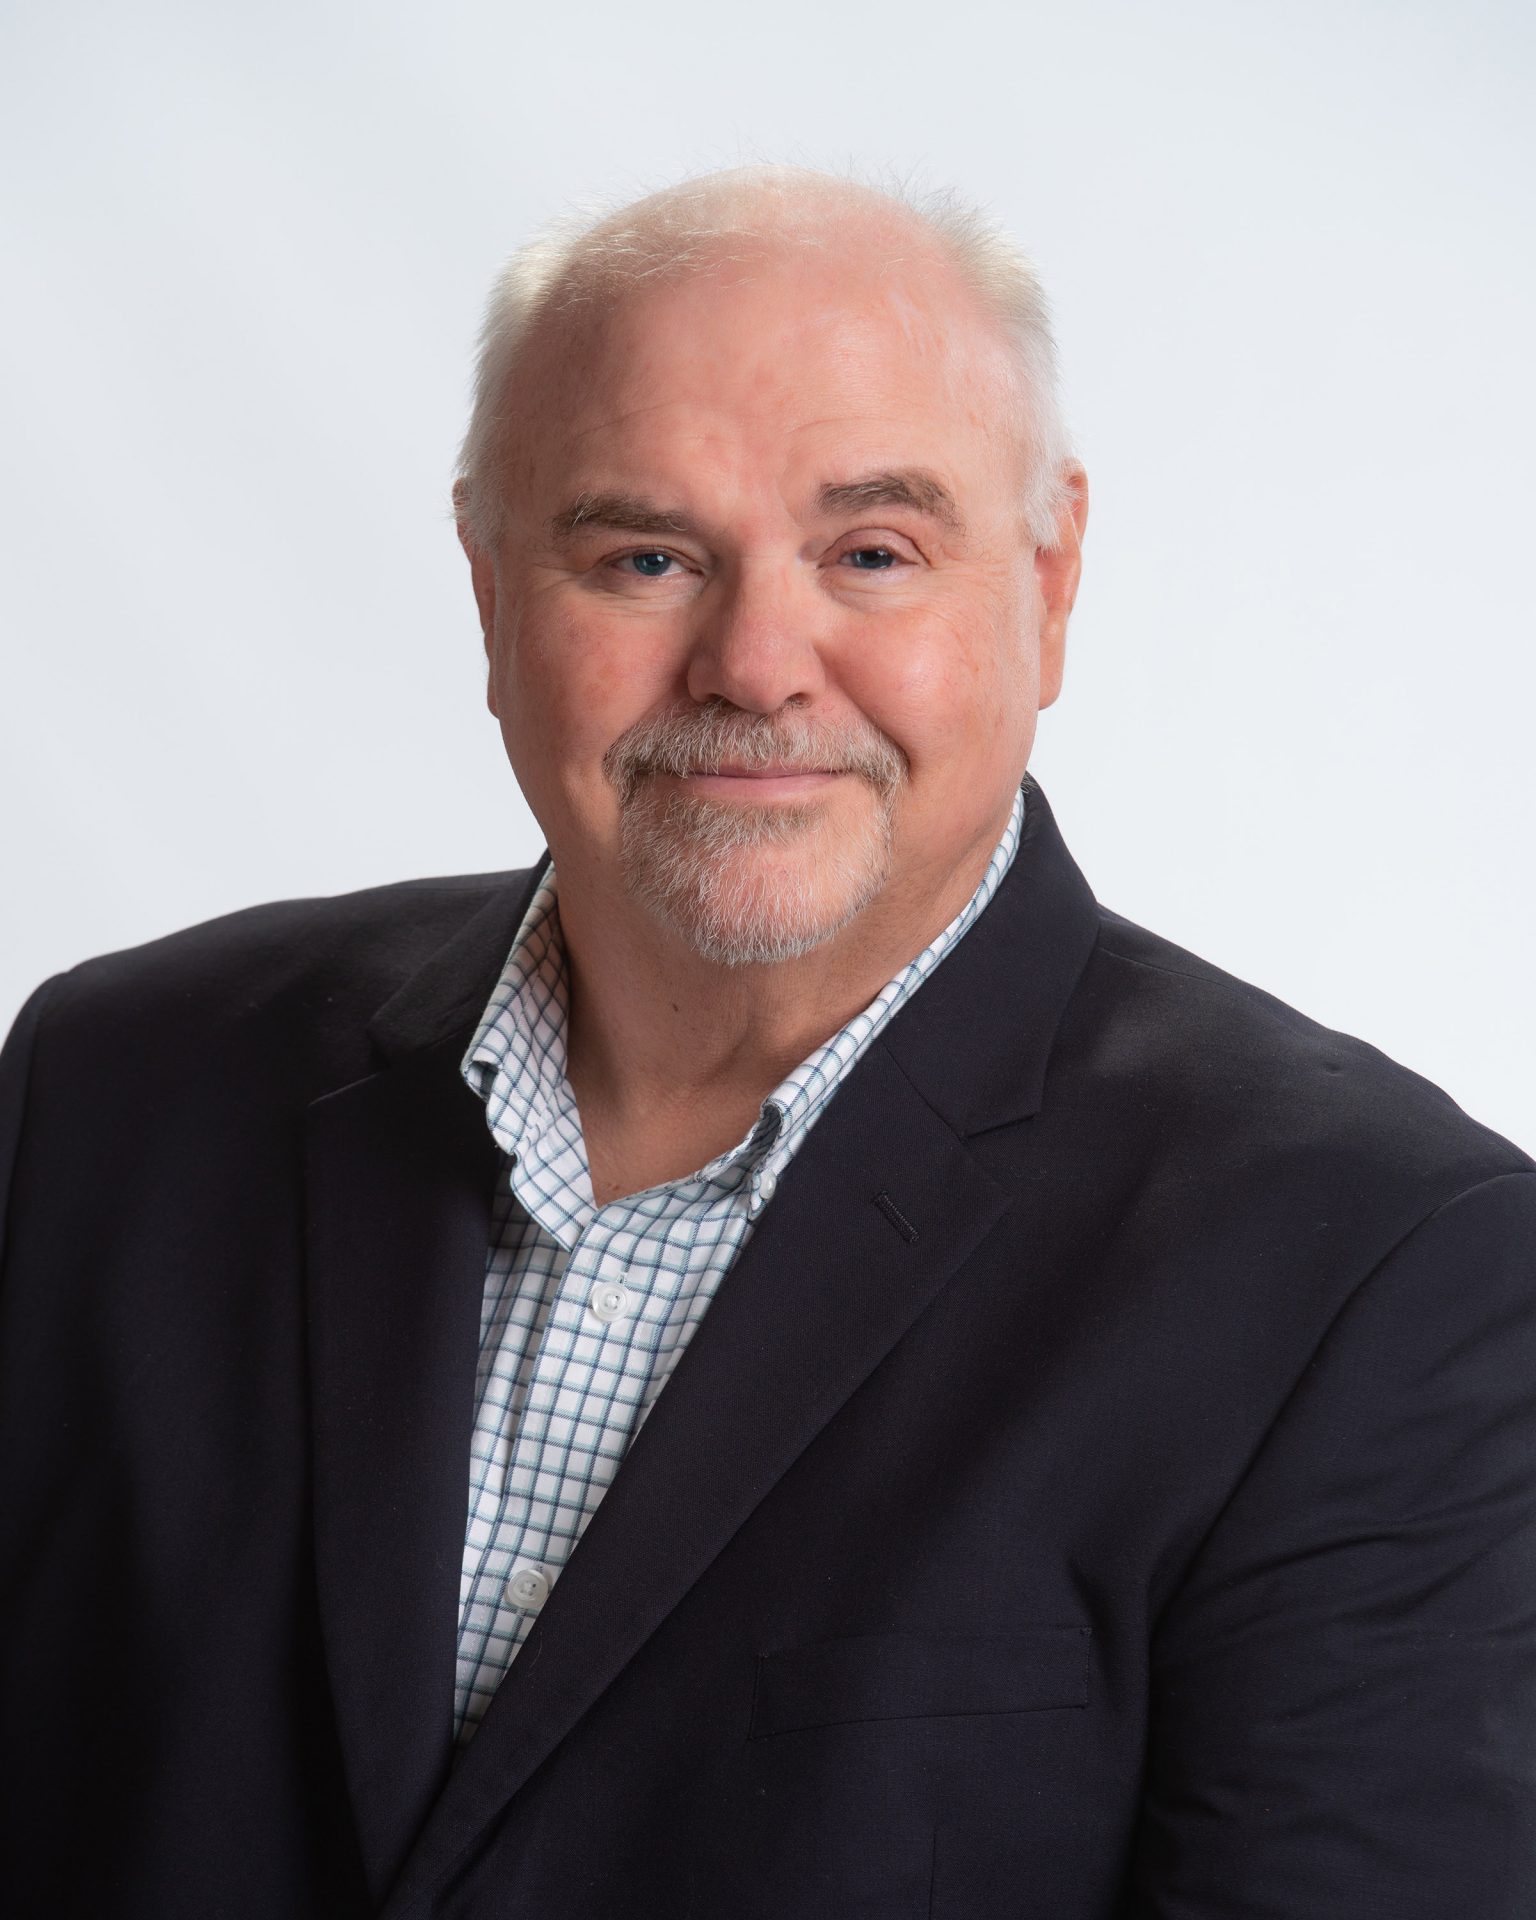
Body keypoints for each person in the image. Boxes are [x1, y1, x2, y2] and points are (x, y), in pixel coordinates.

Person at [1, 165, 1532, 1920]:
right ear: (491, 588)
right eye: (643, 555)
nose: (754, 663)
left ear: (1050, 579)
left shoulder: (1381, 1276)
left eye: (870, 553)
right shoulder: (108, 1092)